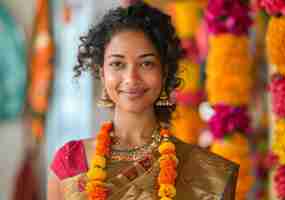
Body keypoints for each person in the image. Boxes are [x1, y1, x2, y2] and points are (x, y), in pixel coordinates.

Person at [47, 2, 239, 200]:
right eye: (117, 64)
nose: (131, 78)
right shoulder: (70, 163)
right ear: (102, 73)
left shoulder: (208, 175)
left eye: (146, 63)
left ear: (164, 73)